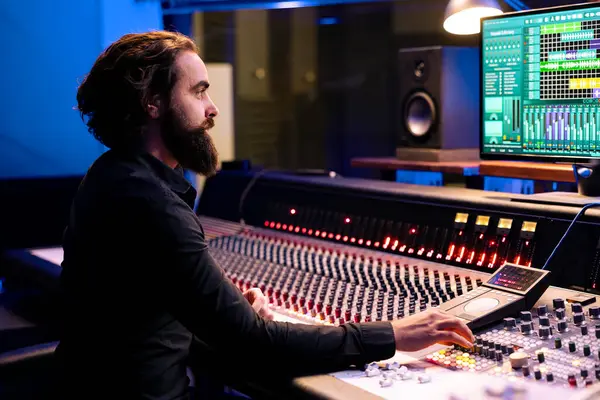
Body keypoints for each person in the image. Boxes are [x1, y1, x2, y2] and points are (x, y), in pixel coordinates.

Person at [54, 30, 474, 400]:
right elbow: (255, 344)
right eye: (199, 92)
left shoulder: (110, 174)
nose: (213, 108)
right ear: (152, 103)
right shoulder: (150, 203)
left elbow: (152, 305)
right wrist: (393, 334)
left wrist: (229, 312)